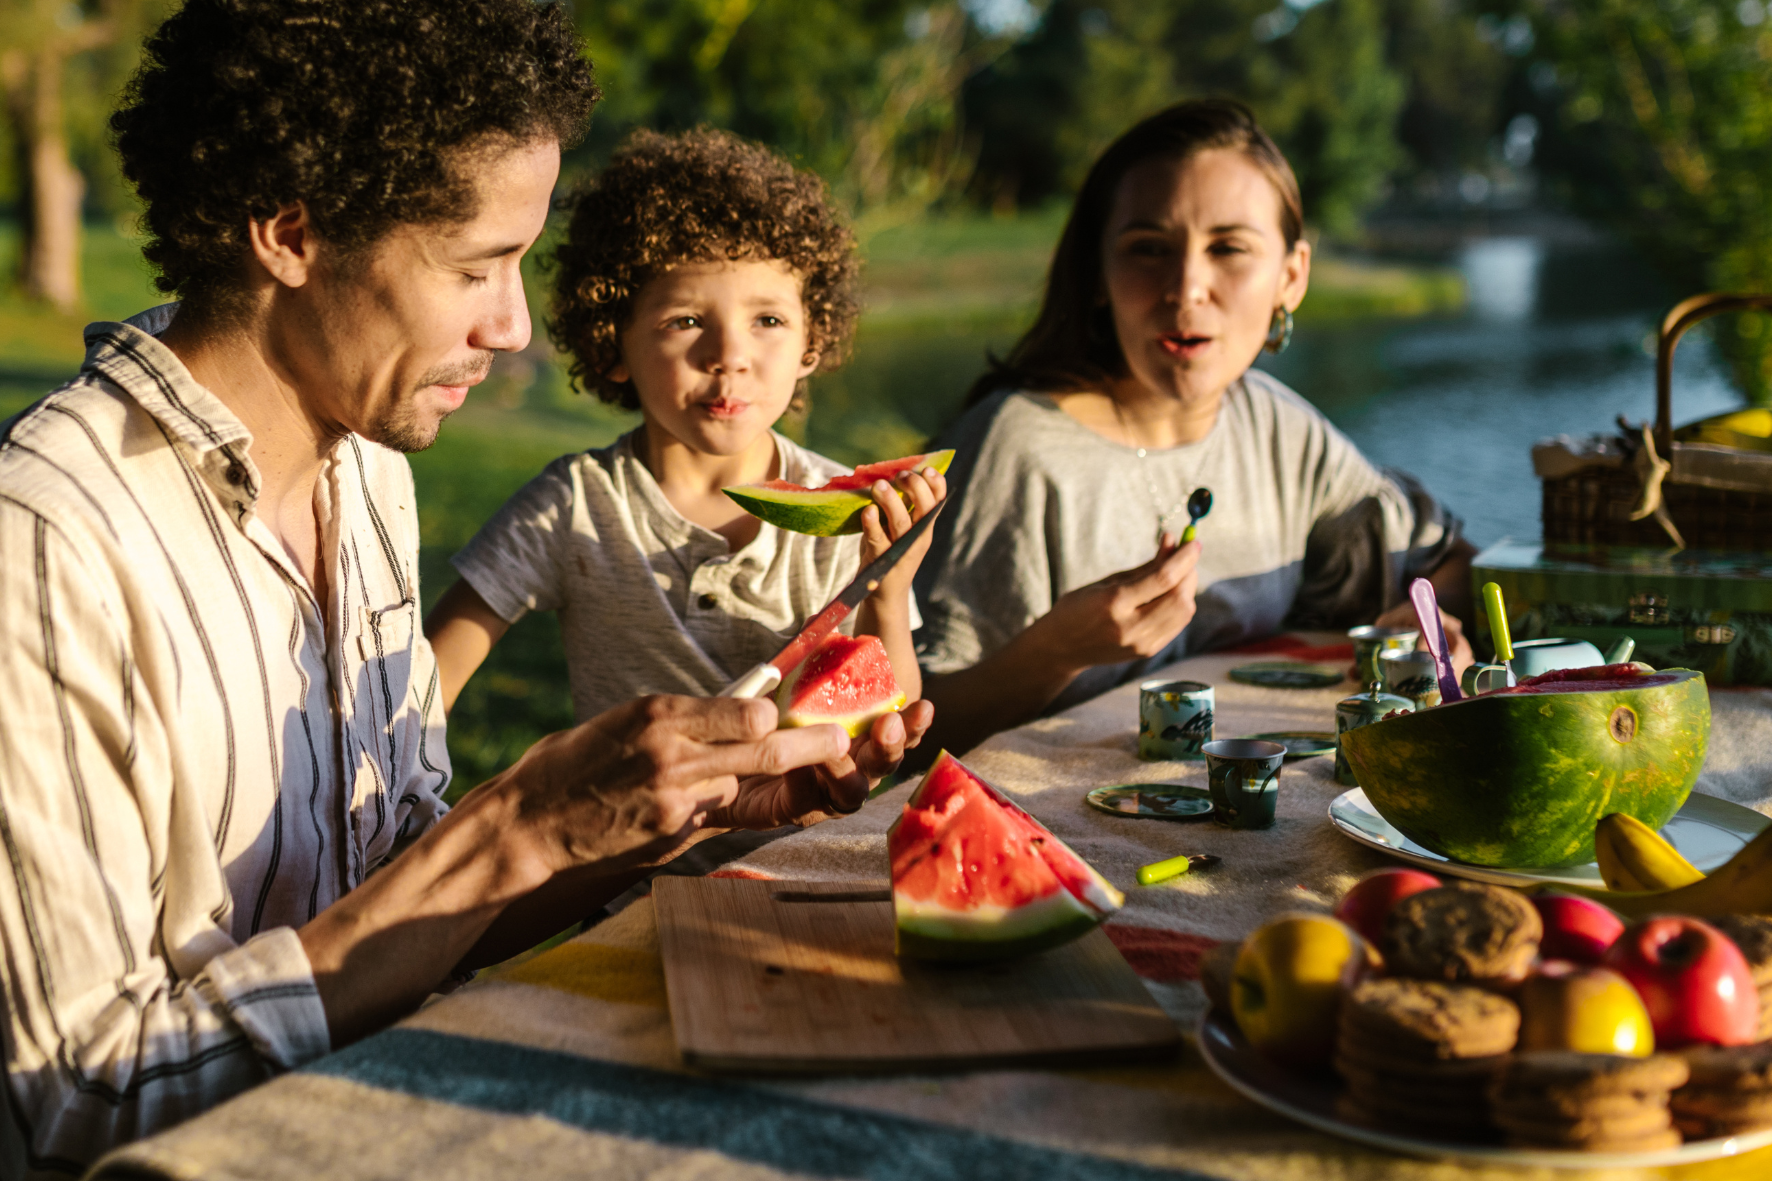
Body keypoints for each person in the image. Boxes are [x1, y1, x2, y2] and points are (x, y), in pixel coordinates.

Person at [0, 3, 925, 1173]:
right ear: (292, 233)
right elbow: (72, 1105)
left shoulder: (369, 467)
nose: (515, 323)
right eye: (475, 265)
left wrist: (641, 822)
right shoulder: (44, 541)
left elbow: (389, 896)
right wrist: (513, 826)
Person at [913, 99, 1474, 755]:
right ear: (1098, 273)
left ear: (1291, 278)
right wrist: (1056, 652)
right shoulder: (1014, 448)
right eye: (1148, 249)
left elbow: (1445, 558)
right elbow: (911, 736)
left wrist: (1432, 624)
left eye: (1229, 248)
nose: (1185, 288)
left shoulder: (1275, 425)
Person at [424, 129, 944, 723]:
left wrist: (889, 585)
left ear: (812, 342)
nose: (729, 354)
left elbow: (885, 721)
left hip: (804, 820)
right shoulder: (573, 506)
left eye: (767, 319)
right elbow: (425, 684)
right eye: (688, 320)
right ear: (610, 344)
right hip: (620, 817)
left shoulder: (849, 517)